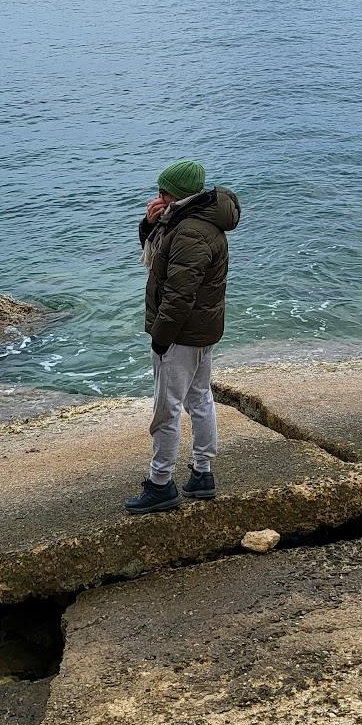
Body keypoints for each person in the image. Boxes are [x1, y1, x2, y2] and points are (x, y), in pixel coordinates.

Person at [125, 159, 242, 515]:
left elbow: (179, 294)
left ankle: (161, 484)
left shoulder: (190, 231)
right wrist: (149, 222)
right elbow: (159, 253)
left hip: (182, 334)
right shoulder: (192, 220)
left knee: (167, 408)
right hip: (201, 330)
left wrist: (161, 338)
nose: (158, 197)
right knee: (200, 399)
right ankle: (202, 475)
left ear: (177, 194)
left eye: (163, 192)